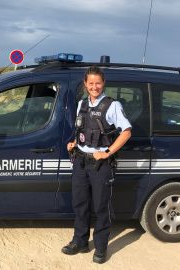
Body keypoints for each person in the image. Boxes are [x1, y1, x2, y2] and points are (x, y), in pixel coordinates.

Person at [61, 66, 132, 264]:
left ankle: (100, 248)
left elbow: (126, 131)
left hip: (101, 165)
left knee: (101, 207)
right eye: (90, 83)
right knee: (80, 205)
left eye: (98, 83)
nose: (94, 87)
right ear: (85, 84)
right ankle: (80, 242)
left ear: (103, 83)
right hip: (80, 161)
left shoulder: (112, 105)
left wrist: (107, 152)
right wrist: (75, 143)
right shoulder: (82, 104)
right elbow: (82, 129)